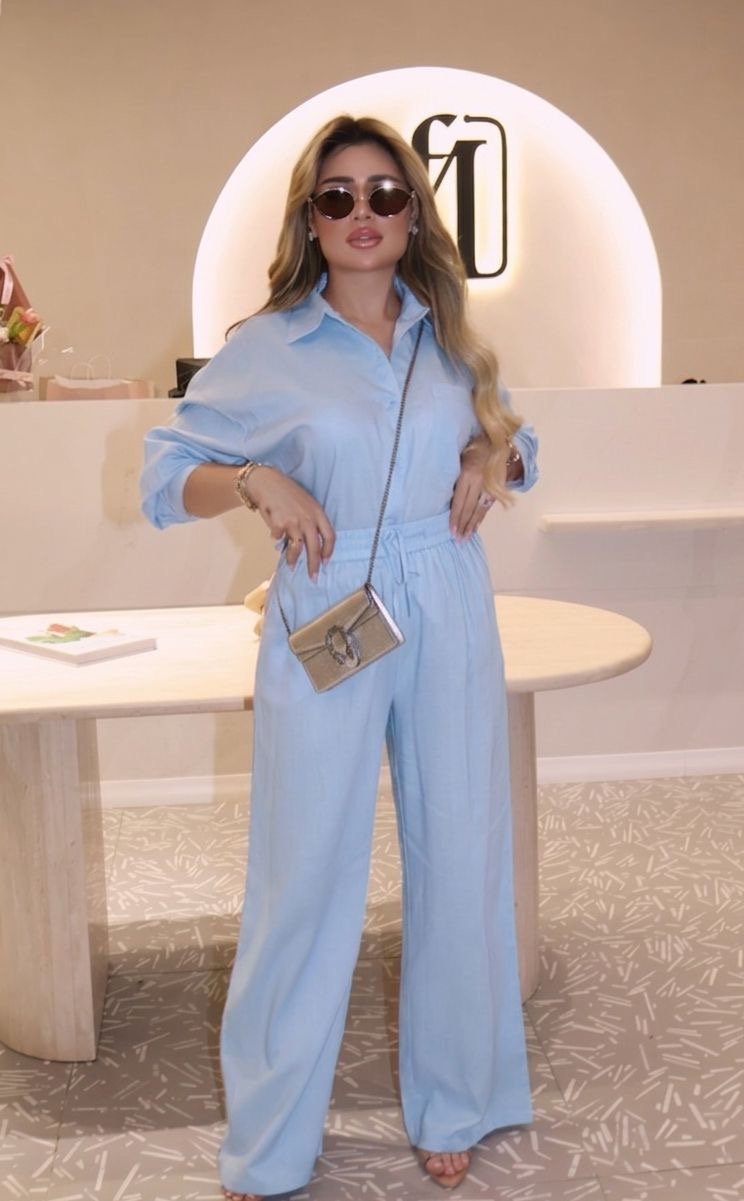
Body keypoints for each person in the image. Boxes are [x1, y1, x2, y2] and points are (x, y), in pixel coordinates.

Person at [141, 114, 538, 1199]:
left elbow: (518, 439)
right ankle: (272, 1137)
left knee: (461, 851)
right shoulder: (268, 346)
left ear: (413, 214)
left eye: (384, 194)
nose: (363, 214)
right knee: (303, 870)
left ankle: (456, 1099)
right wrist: (255, 479)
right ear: (309, 222)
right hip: (330, 595)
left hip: (446, 587)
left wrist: (492, 452)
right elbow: (163, 475)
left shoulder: (448, 337)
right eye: (337, 197)